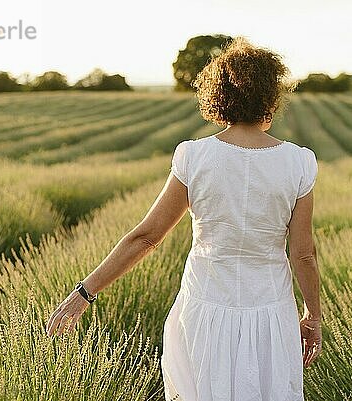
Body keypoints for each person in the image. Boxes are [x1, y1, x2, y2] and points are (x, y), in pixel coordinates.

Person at [46, 36, 322, 401]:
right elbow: (303, 254)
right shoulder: (298, 162)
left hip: (204, 310)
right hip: (271, 313)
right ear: (271, 97)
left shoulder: (194, 156)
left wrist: (84, 292)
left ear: (218, 96)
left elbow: (145, 237)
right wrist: (312, 318)